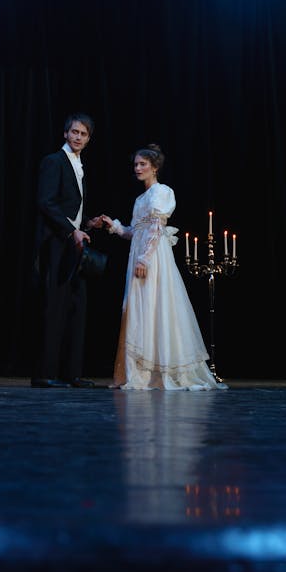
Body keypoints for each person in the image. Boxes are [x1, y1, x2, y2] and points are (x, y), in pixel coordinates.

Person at [102, 144, 227, 391]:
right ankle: (141, 371)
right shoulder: (140, 198)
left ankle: (159, 370)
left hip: (153, 257)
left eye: (142, 164)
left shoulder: (161, 192)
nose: (137, 169)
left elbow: (156, 228)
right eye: (136, 165)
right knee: (140, 308)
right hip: (139, 252)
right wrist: (114, 226)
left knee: (155, 305)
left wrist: (144, 259)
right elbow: (135, 231)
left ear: (154, 167)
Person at [31, 112, 104, 388]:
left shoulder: (80, 166)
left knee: (76, 307)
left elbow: (72, 209)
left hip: (73, 242)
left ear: (88, 139)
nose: (78, 137)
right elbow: (46, 203)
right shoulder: (54, 161)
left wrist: (87, 223)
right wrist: (70, 229)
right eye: (74, 132)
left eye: (83, 134)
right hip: (55, 243)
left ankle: (70, 373)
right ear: (65, 134)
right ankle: (44, 373)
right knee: (54, 305)